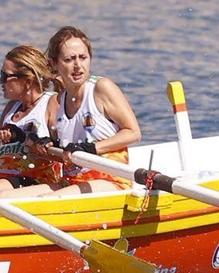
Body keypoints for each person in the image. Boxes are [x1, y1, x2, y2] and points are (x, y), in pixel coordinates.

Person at [10, 25, 140, 197]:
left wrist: (91, 148)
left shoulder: (102, 88)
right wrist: (45, 145)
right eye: (70, 59)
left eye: (83, 57)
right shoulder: (59, 100)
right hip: (73, 181)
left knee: (46, 201)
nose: (78, 65)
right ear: (54, 63)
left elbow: (133, 133)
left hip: (110, 181)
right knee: (8, 197)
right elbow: (67, 155)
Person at [0, 44, 62, 195]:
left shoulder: (51, 103)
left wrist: (26, 139)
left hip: (37, 181)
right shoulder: (11, 108)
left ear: (28, 81)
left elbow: (63, 154)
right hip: (3, 181)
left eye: (5, 76)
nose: (0, 82)